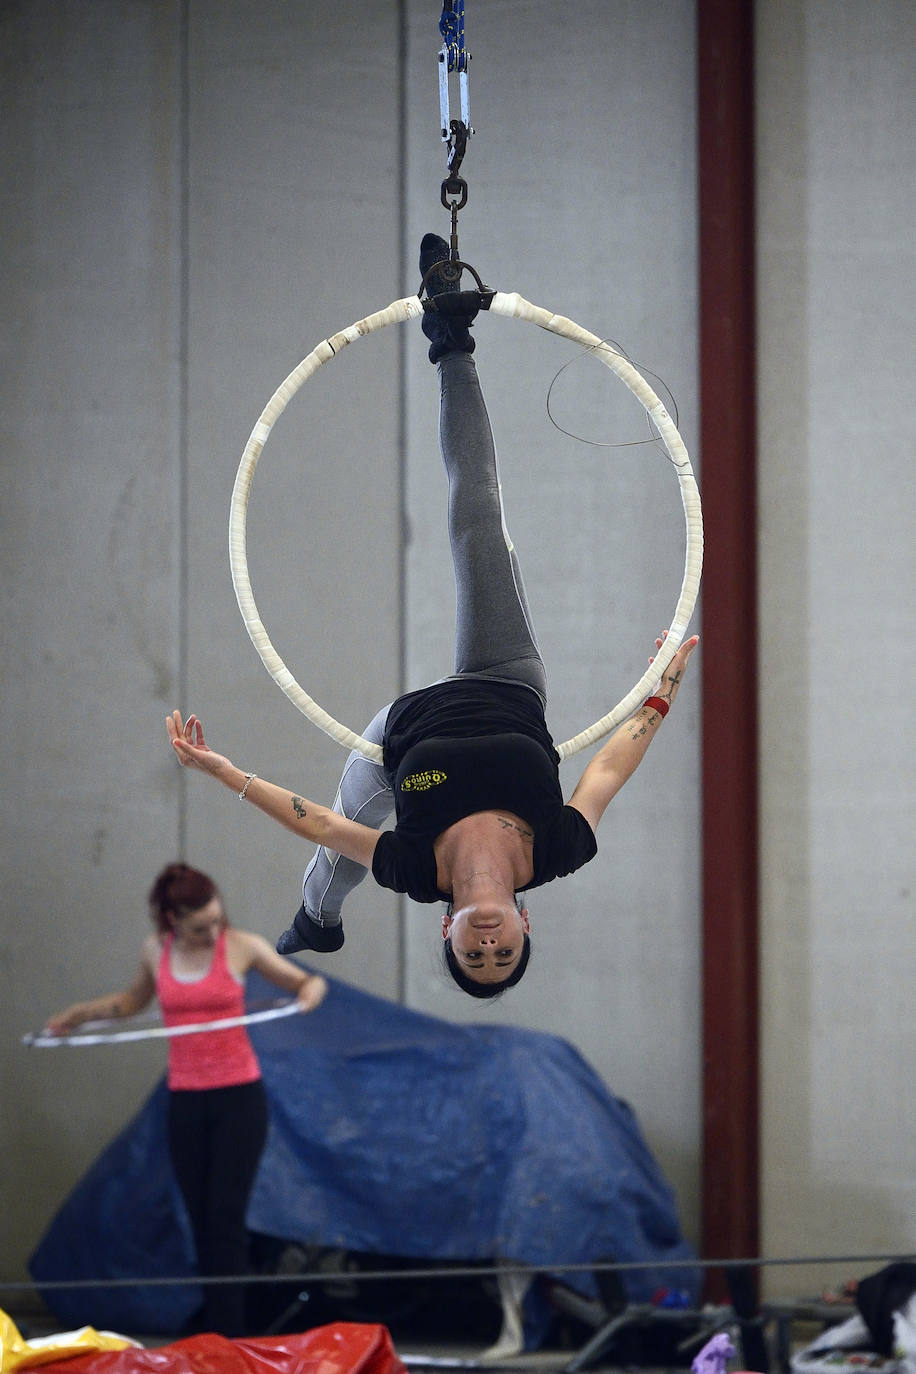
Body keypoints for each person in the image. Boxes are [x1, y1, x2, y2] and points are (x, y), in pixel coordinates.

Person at [168, 233, 699, 999]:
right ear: (525, 928)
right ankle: (451, 339)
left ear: (443, 931)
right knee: (479, 517)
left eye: (472, 956)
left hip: (397, 736)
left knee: (344, 850)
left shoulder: (418, 870)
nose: (488, 946)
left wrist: (222, 772)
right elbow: (610, 768)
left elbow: (318, 821)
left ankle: (317, 918)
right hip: (505, 681)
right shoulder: (558, 848)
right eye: (503, 955)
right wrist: (662, 688)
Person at [44, 862, 327, 1336]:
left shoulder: (241, 946)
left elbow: (305, 982)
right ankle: (215, 1333)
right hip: (187, 1102)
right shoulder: (156, 952)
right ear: (172, 919)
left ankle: (229, 1338)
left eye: (217, 921)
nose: (212, 931)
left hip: (238, 1100)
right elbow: (131, 1003)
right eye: (200, 927)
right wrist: (78, 1014)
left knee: (225, 1218)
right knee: (199, 1219)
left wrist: (310, 994)